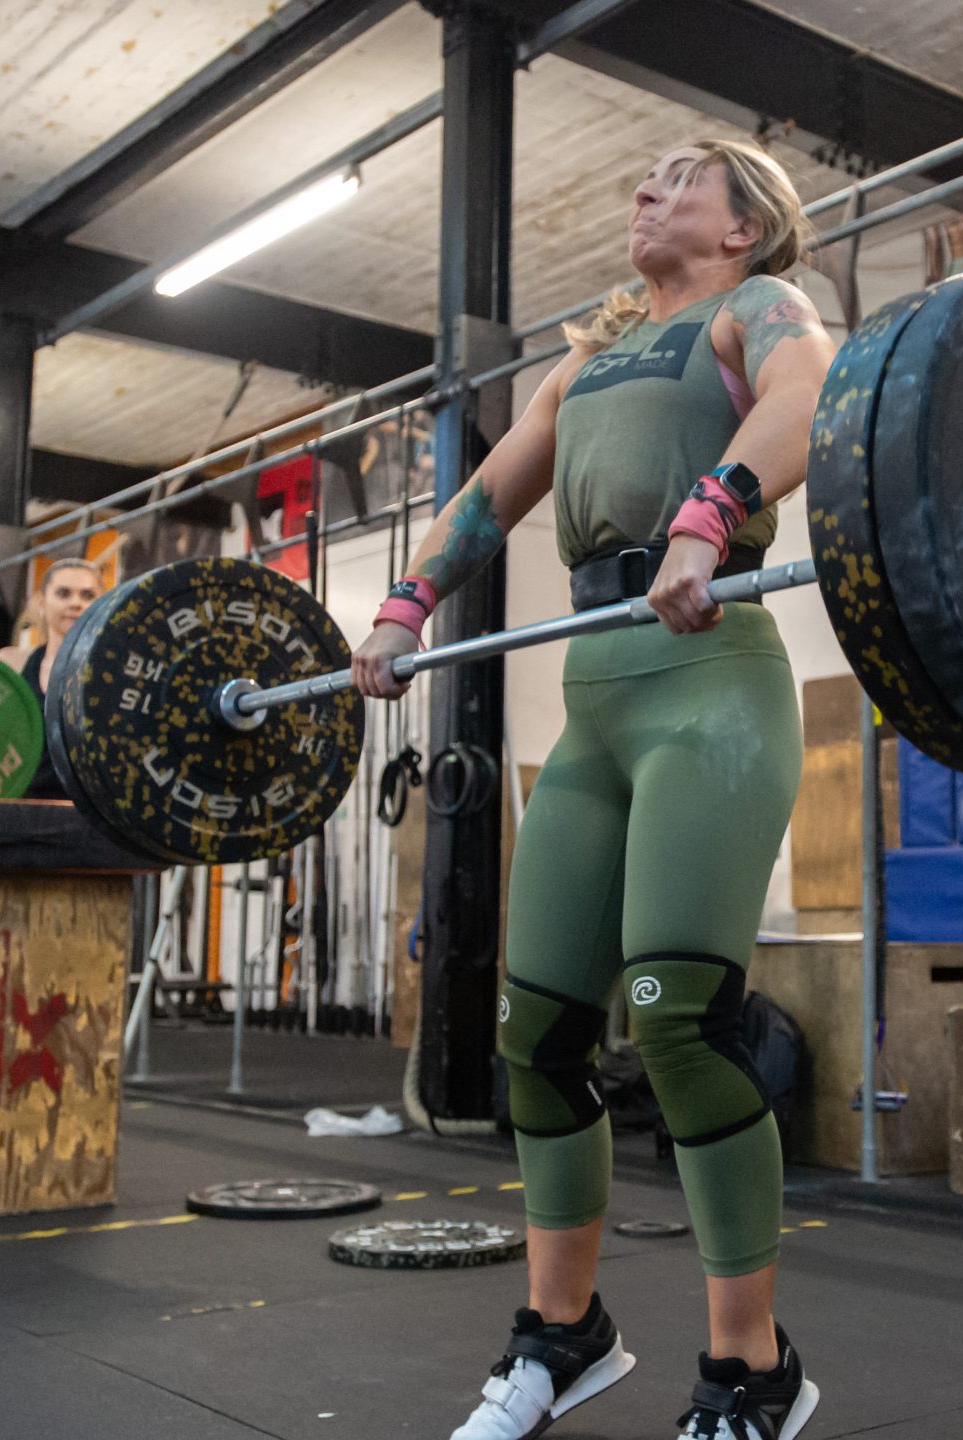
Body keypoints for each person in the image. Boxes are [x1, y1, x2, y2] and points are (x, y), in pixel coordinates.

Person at [351, 140, 836, 1440]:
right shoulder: (596, 353)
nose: (647, 191)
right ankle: (563, 1337)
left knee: (681, 1022)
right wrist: (405, 605)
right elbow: (490, 491)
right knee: (536, 1043)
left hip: (709, 679)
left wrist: (712, 507)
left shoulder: (759, 307)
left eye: (684, 179)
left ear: (745, 227)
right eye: (645, 178)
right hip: (596, 702)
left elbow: (807, 393)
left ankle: (754, 1372)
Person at [0, 557, 104, 800]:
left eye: (87, 596)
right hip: (20, 805)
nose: (75, 603)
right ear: (42, 603)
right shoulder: (12, 663)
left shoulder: (113, 673)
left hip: (85, 811)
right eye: (64, 593)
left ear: (102, 605)